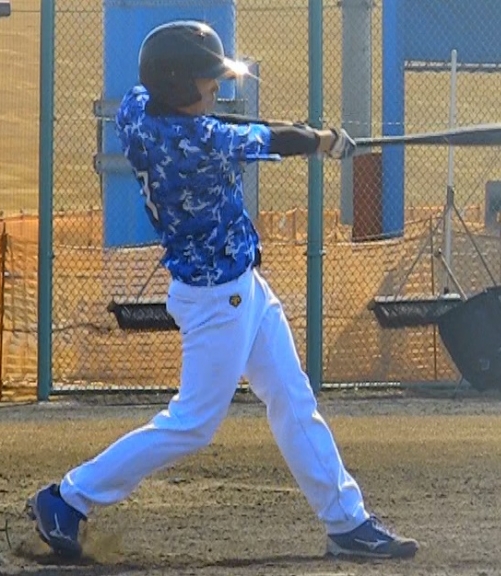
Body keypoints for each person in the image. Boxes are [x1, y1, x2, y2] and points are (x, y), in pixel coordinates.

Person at [27, 19, 418, 561]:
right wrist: (324, 141)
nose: (216, 87)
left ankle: (346, 522)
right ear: (176, 85)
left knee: (292, 398)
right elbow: (265, 140)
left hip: (240, 287)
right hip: (218, 300)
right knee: (192, 424)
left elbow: (217, 120)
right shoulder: (197, 142)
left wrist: (309, 135)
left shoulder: (136, 112)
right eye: (206, 80)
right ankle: (67, 499)